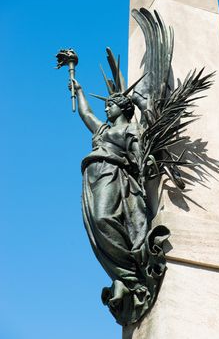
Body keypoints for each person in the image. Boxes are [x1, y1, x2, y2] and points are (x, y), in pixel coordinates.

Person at [71, 79, 169, 325]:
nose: (106, 108)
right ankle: (123, 277)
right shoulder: (102, 130)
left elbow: (139, 156)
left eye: (111, 105)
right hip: (92, 179)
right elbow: (86, 113)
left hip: (112, 176)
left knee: (104, 219)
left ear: (123, 108)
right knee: (95, 225)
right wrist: (79, 89)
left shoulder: (130, 130)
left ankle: (131, 278)